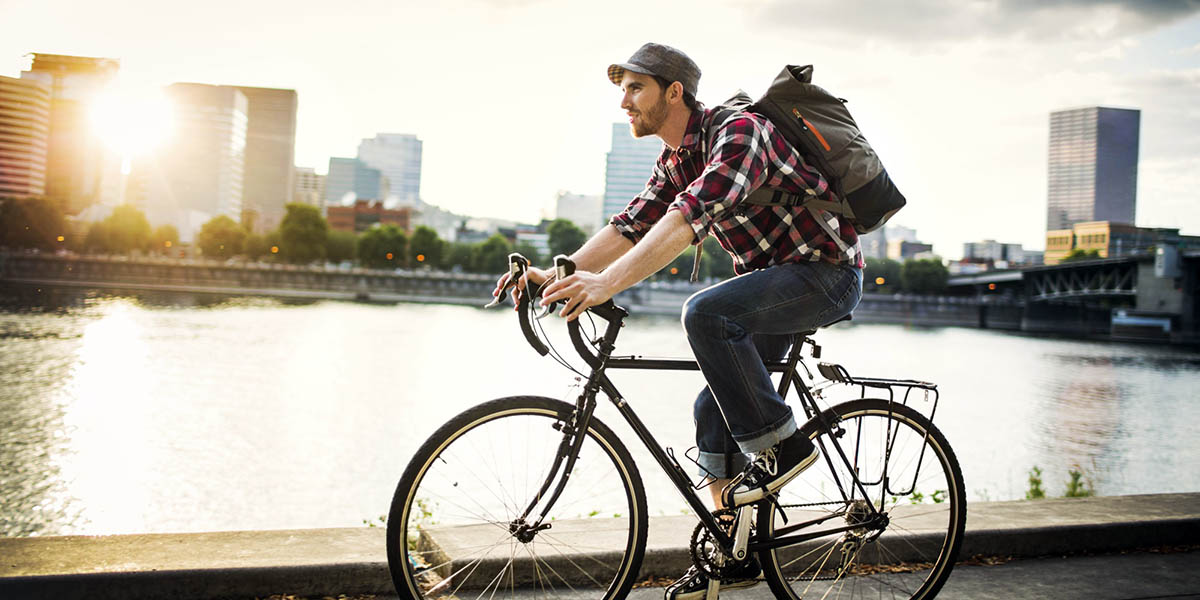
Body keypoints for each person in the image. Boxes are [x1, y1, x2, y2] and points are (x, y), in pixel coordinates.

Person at [492, 42, 863, 599]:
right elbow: (631, 225)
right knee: (712, 412)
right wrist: (554, 273)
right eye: (622, 89)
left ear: (674, 92)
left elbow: (688, 219)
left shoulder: (740, 132)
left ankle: (787, 449)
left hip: (824, 276)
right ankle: (737, 553)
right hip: (769, 289)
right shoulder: (674, 160)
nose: (624, 102)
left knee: (705, 313)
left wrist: (607, 284)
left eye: (635, 87)